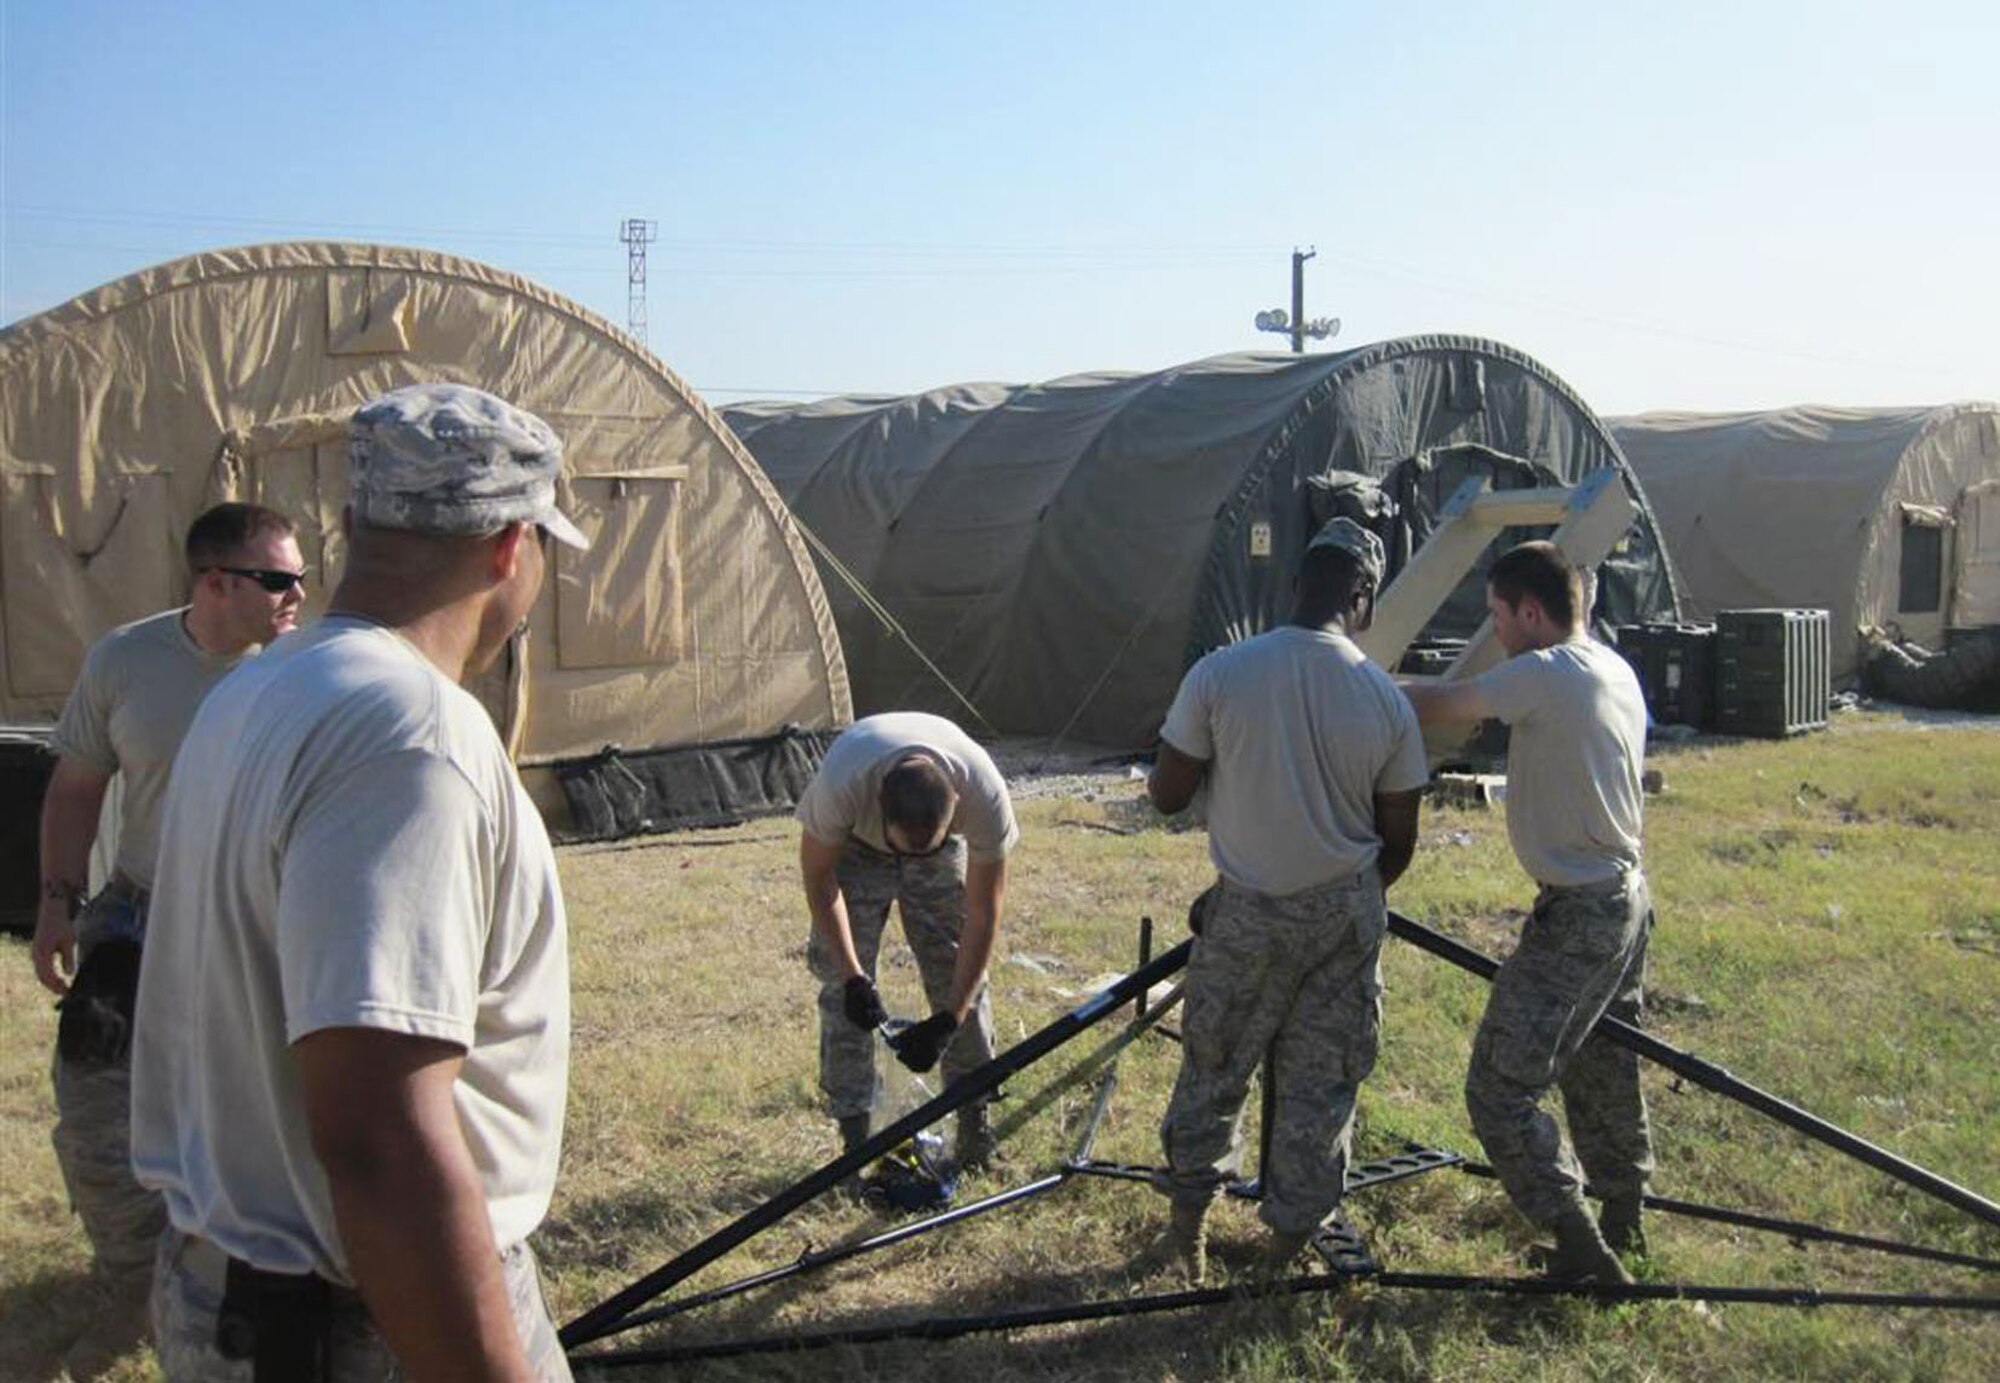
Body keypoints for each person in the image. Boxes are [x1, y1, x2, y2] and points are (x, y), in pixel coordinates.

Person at [131, 383, 587, 1380]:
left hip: (234, 1288)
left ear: (351, 525)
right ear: (511, 547)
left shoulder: (259, 686)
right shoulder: (409, 738)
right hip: (365, 1321)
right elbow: (379, 1137)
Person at [32, 501, 304, 1379]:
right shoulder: (127, 661)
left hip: (262, 913)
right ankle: (132, 1284)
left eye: (302, 575)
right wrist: (56, 903)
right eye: (279, 579)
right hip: (142, 908)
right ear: (216, 582)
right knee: (93, 1101)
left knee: (260, 1108)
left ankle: (256, 1273)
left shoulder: (304, 670)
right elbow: (77, 786)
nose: (298, 593)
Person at [1144, 518, 1426, 1281]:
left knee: (1214, 1063)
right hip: (1343, 913)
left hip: (1247, 909)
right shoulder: (1384, 699)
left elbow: (1168, 796)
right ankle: (1287, 1245)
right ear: (1362, 597)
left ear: (1297, 583)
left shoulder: (1220, 672)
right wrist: (1344, 897)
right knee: (1321, 1081)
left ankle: (1188, 1230)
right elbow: (1398, 837)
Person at [1401, 539, 1652, 1285]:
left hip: (1581, 912)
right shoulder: (1613, 666)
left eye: (1498, 616)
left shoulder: (1547, 672)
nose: (1496, 632)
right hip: (1626, 897)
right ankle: (1623, 1217)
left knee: (1498, 1087)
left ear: (1532, 612)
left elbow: (1445, 702)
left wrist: (1351, 677)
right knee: (1605, 1064)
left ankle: (1581, 1248)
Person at [796, 711, 1018, 1172]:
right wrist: (854, 975)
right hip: (856, 847)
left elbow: (983, 915)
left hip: (935, 838)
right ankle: (855, 1144)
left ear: (956, 805)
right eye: (903, 849)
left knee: (960, 968)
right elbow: (819, 880)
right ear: (878, 803)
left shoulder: (985, 795)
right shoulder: (843, 785)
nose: (910, 861)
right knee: (842, 992)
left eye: (925, 847)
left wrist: (950, 1017)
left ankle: (976, 1133)